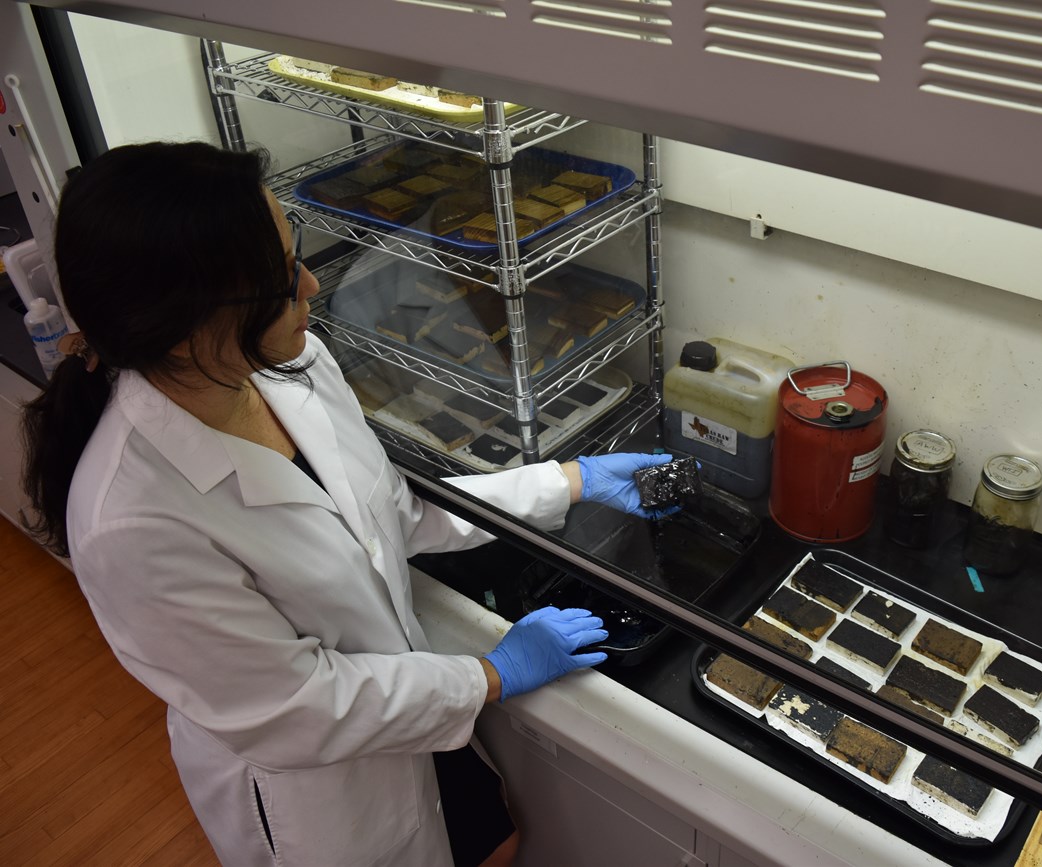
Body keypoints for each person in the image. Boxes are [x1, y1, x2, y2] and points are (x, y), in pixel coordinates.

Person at [19, 140, 672, 867]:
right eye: (278, 277)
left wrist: (569, 481)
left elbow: (391, 511)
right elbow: (300, 705)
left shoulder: (289, 365)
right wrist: (492, 673)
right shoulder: (130, 522)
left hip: (413, 707)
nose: (310, 286)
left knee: (497, 839)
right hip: (328, 793)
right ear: (188, 321)